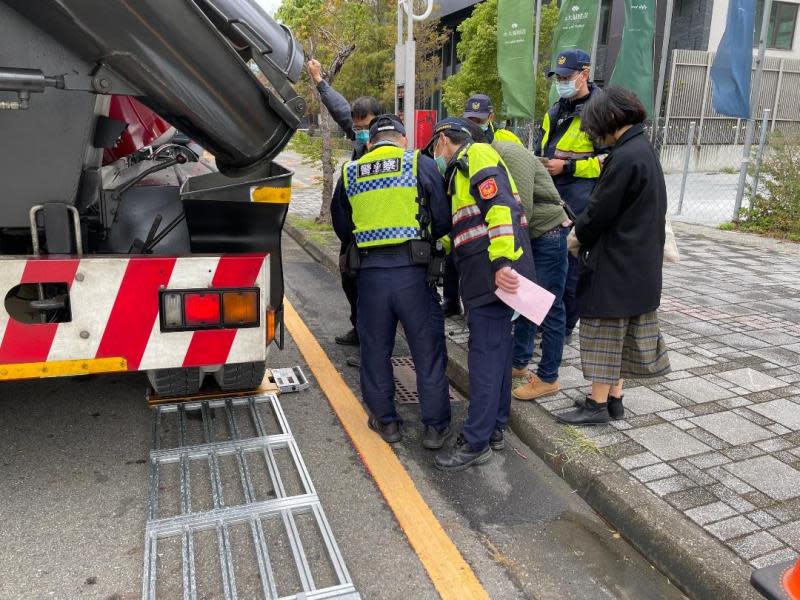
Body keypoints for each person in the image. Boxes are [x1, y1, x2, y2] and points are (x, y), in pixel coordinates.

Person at [331, 114, 454, 448]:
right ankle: (434, 427)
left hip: (370, 277)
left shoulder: (351, 171)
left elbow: (342, 225)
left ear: (370, 142)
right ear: (402, 138)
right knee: (427, 350)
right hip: (414, 274)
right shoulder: (419, 163)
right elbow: (443, 218)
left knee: (375, 349)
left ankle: (386, 422)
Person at [556, 87, 671, 426]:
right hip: (640, 262)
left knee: (604, 335)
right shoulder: (641, 148)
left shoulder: (625, 156)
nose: (594, 133)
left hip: (617, 263)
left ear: (608, 118)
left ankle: (596, 405)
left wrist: (575, 236)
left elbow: (599, 210)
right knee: (622, 337)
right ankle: (615, 399)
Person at [425, 118, 535, 471]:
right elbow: (465, 227)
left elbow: (500, 208)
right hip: (487, 274)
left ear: (443, 140)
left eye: (434, 149)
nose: (435, 156)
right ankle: (496, 427)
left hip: (493, 273)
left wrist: (503, 262)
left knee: (484, 358)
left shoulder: (478, 155)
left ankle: (475, 442)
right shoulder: (460, 170)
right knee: (499, 352)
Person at [482, 141, 570, 401]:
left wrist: (503, 249)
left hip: (547, 234)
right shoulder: (490, 158)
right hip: (532, 236)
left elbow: (522, 211)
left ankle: (548, 377)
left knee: (549, 306)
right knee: (526, 302)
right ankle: (519, 362)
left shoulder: (510, 153)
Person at [306, 60, 381, 352]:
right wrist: (320, 81)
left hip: (378, 236)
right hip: (353, 236)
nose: (360, 132)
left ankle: (373, 340)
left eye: (365, 127)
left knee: (371, 289)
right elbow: (340, 110)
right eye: (358, 127)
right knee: (349, 281)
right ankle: (360, 328)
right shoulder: (361, 143)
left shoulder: (394, 150)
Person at [538, 49, 603, 345]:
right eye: (558, 77)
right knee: (549, 264)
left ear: (584, 74)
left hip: (580, 202)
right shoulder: (556, 109)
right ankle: (547, 320)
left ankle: (564, 328)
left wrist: (568, 166)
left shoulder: (601, 110)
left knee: (571, 270)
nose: (561, 82)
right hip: (553, 199)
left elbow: (609, 160)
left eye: (566, 77)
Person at [440, 93, 525, 318]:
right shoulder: (464, 153)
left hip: (499, 240)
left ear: (491, 117)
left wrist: (502, 261)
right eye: (470, 119)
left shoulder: (498, 143)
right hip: (477, 248)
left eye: (479, 120)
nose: (474, 124)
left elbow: (507, 193)